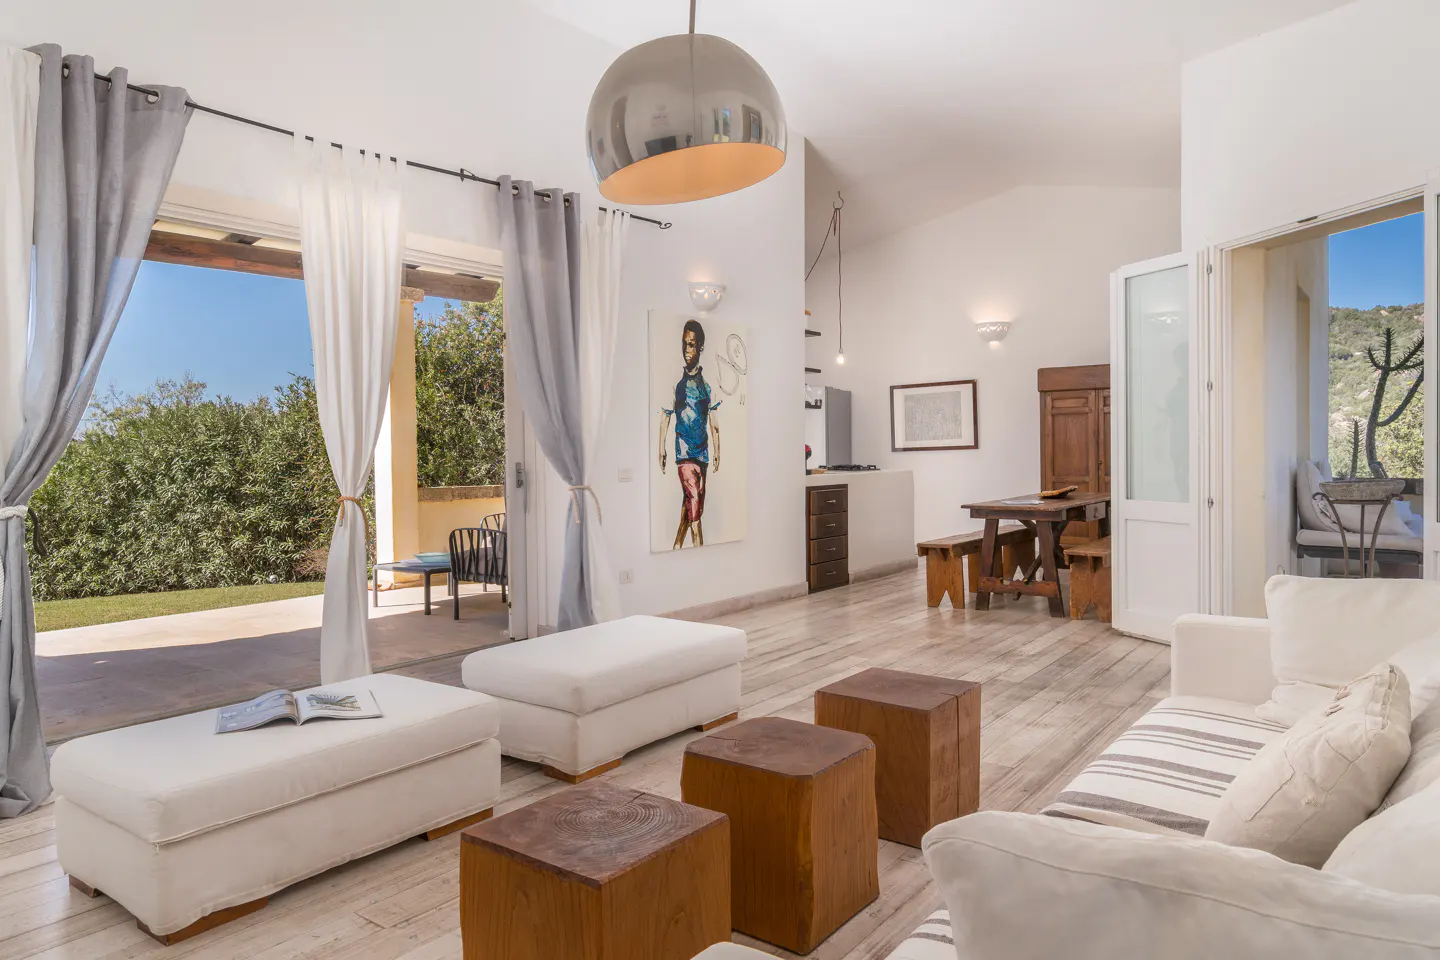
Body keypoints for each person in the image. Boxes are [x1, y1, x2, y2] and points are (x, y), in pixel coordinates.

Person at [658, 319, 721, 548]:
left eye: (692, 345)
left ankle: (676, 546)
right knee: (695, 516)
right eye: (684, 344)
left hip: (702, 454)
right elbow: (666, 416)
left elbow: (713, 422)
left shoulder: (706, 386)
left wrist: (717, 451)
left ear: (700, 347)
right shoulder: (677, 386)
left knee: (694, 507)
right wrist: (661, 449)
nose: (687, 350)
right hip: (684, 456)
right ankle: (701, 558)